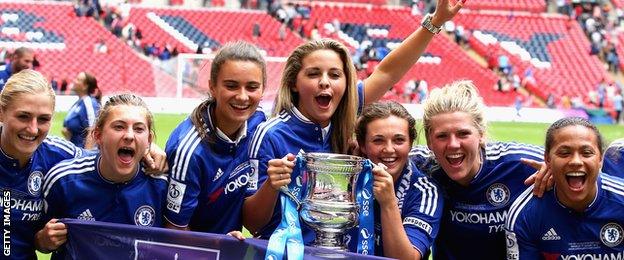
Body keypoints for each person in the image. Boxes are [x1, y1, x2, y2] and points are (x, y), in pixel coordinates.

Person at [245, 0, 464, 242]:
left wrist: (434, 22)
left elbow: (386, 72)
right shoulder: (270, 134)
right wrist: (271, 186)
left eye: (335, 75)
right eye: (314, 73)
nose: (325, 82)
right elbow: (252, 223)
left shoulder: (343, 116)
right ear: (294, 83)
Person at [0, 70, 166, 259]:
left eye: (44, 119)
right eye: (23, 116)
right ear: (1, 112)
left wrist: (146, 149)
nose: (33, 128)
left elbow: (103, 158)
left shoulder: (59, 154)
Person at [409, 80, 545, 259]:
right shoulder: (420, 165)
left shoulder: (519, 162)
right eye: (442, 136)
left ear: (481, 134)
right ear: (429, 141)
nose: (453, 144)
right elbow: (383, 158)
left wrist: (556, 171)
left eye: (463, 134)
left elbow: (587, 167)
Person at [35, 93, 167, 258]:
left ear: (149, 139)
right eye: (119, 126)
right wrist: (44, 240)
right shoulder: (64, 180)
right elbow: (37, 238)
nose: (129, 135)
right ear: (98, 135)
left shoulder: (161, 186)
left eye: (139, 129)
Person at [164, 41, 265, 237]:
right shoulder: (190, 151)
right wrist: (216, 246)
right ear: (212, 86)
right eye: (231, 86)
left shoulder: (258, 123)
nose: (243, 97)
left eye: (252, 87)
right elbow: (175, 229)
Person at [506, 117, 624, 259]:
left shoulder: (620, 201)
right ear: (547, 159)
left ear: (600, 160)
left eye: (586, 153)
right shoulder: (525, 214)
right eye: (564, 153)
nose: (575, 161)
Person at [348, 101, 443, 259]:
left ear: (411, 144)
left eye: (399, 140)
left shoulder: (426, 192)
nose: (389, 149)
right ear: (363, 145)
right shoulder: (350, 176)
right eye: (378, 140)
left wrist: (389, 203)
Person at [62, 72, 102, 149]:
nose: (74, 81)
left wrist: (87, 155)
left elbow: (92, 129)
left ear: (85, 86)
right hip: (75, 150)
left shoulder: (88, 103)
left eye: (78, 80)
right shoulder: (78, 103)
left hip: (83, 153)